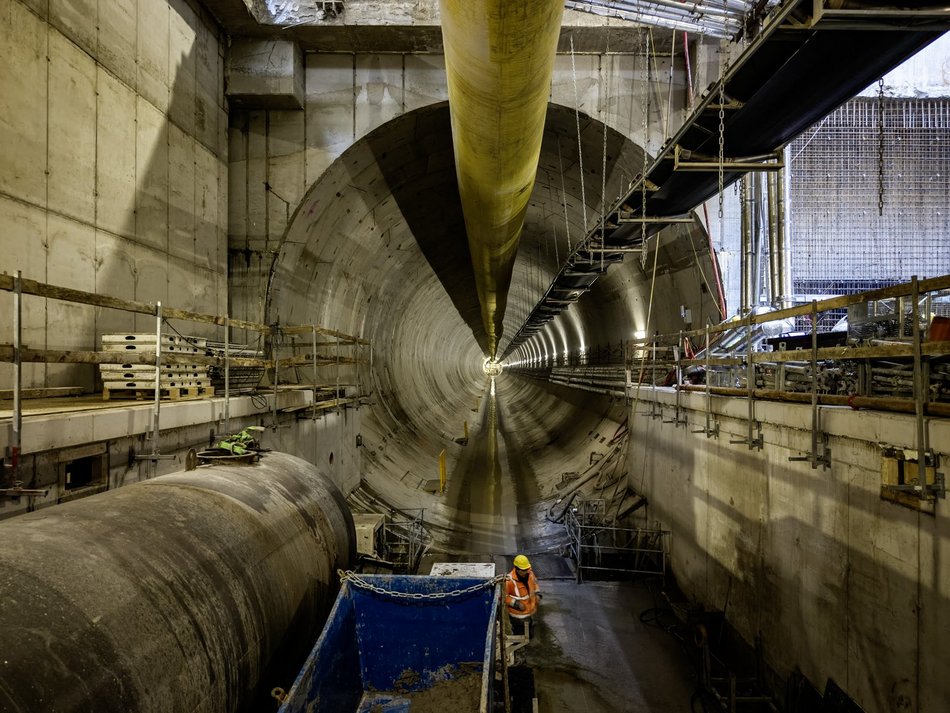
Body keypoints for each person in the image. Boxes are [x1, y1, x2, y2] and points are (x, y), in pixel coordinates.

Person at [505, 554, 541, 637]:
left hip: (530, 610)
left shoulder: (530, 573)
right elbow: (504, 597)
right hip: (518, 616)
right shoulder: (509, 580)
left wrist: (538, 594)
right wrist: (516, 604)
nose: (526, 571)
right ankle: (520, 648)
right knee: (519, 634)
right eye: (524, 570)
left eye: (527, 569)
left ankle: (529, 636)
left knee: (529, 629)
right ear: (517, 569)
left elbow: (535, 584)